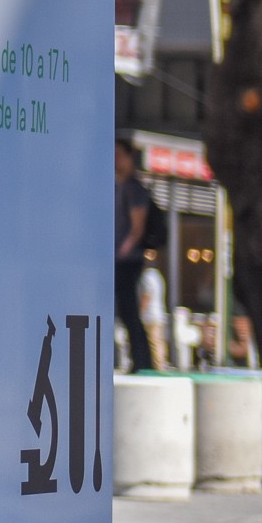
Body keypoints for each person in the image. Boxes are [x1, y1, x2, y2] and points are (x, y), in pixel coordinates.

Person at [113, 137, 158, 374]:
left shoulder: (134, 187)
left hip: (127, 261)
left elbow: (137, 226)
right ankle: (137, 361)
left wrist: (123, 250)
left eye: (119, 154)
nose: (115, 159)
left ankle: (142, 362)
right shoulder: (117, 186)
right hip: (119, 259)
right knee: (123, 311)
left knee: (130, 311)